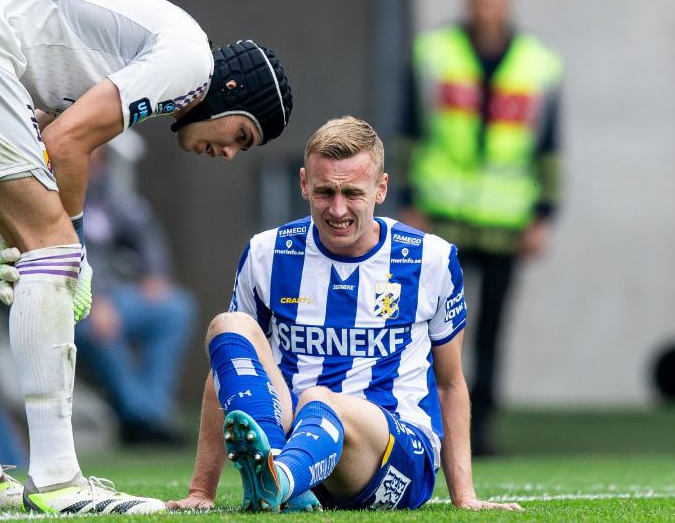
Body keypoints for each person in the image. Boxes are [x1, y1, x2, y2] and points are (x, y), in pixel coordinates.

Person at [0, 0, 292, 514]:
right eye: (242, 134)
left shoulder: (152, 48)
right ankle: (59, 481)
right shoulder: (190, 63)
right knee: (54, 252)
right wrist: (74, 249)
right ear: (230, 89)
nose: (230, 153)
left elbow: (43, 130)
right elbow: (66, 142)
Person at [167, 117, 522, 512]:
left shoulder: (430, 258)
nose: (338, 209)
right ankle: (280, 475)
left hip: (397, 455)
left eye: (352, 193)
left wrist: (465, 496)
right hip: (298, 440)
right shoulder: (267, 253)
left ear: (381, 188)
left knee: (321, 398)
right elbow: (225, 372)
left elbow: (450, 383)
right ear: (304, 184)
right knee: (227, 326)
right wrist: (201, 492)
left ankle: (279, 478)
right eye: (324, 192)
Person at [399, 0, 562, 455]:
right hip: (442, 212)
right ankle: (426, 424)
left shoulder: (539, 64)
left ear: (508, 2)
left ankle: (480, 429)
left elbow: (550, 146)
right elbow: (408, 129)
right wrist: (408, 200)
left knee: (491, 330)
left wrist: (544, 214)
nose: (487, 7)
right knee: (432, 326)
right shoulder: (433, 54)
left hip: (506, 220)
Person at [74, 146, 196, 444]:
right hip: (72, 301)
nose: (95, 164)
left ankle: (154, 412)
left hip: (113, 297)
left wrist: (154, 273)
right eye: (88, 156)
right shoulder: (55, 196)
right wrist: (94, 298)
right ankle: (138, 417)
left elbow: (143, 230)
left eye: (99, 157)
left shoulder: (108, 196)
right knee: (101, 327)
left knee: (176, 307)